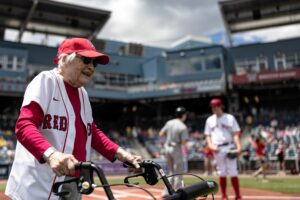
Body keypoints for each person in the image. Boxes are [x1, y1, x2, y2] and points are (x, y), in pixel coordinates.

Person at [5, 38, 141, 200]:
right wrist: (51, 155)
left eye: (95, 63)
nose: (91, 66)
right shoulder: (46, 81)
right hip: (37, 182)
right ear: (65, 58)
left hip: (74, 181)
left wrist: (124, 155)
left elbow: (92, 133)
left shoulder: (82, 94)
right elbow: (24, 126)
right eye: (86, 60)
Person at [204, 98, 242, 200]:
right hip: (217, 148)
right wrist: (210, 145)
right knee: (221, 172)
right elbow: (207, 135)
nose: (213, 108)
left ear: (221, 106)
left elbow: (235, 134)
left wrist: (238, 147)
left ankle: (238, 195)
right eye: (212, 107)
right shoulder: (209, 120)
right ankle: (224, 195)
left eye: (215, 106)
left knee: (233, 171)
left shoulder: (230, 118)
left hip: (229, 147)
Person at [159, 106, 189, 194]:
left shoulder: (169, 122)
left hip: (167, 147)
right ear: (183, 115)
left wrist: (168, 139)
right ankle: (179, 192)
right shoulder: (183, 126)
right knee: (178, 172)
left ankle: (166, 192)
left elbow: (161, 133)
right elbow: (183, 143)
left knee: (171, 171)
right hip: (176, 148)